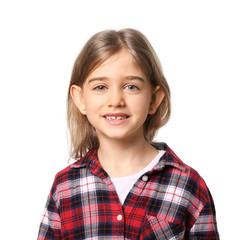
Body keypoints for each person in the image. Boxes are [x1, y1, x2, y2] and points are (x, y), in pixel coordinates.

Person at [37, 29, 219, 239]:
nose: (115, 100)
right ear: (80, 99)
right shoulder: (65, 187)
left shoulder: (188, 186)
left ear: (154, 99)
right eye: (100, 87)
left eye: (131, 86)